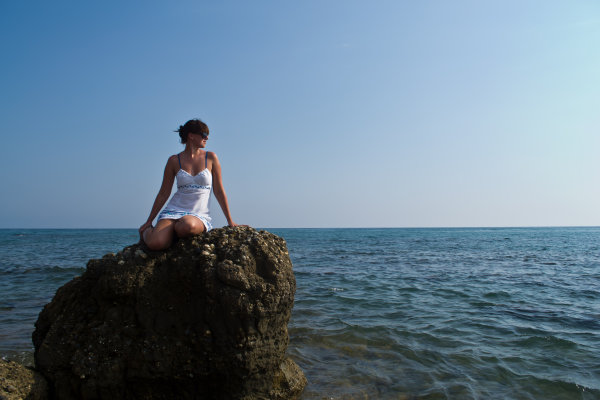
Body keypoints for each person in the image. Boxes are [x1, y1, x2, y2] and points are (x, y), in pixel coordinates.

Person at [139, 119, 239, 250]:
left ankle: (171, 231)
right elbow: (163, 193)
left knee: (188, 227)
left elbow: (219, 191)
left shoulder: (211, 157)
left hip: (197, 214)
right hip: (173, 211)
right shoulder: (174, 160)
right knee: (156, 244)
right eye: (204, 134)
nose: (207, 138)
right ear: (191, 136)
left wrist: (230, 220)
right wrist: (149, 220)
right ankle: (146, 232)